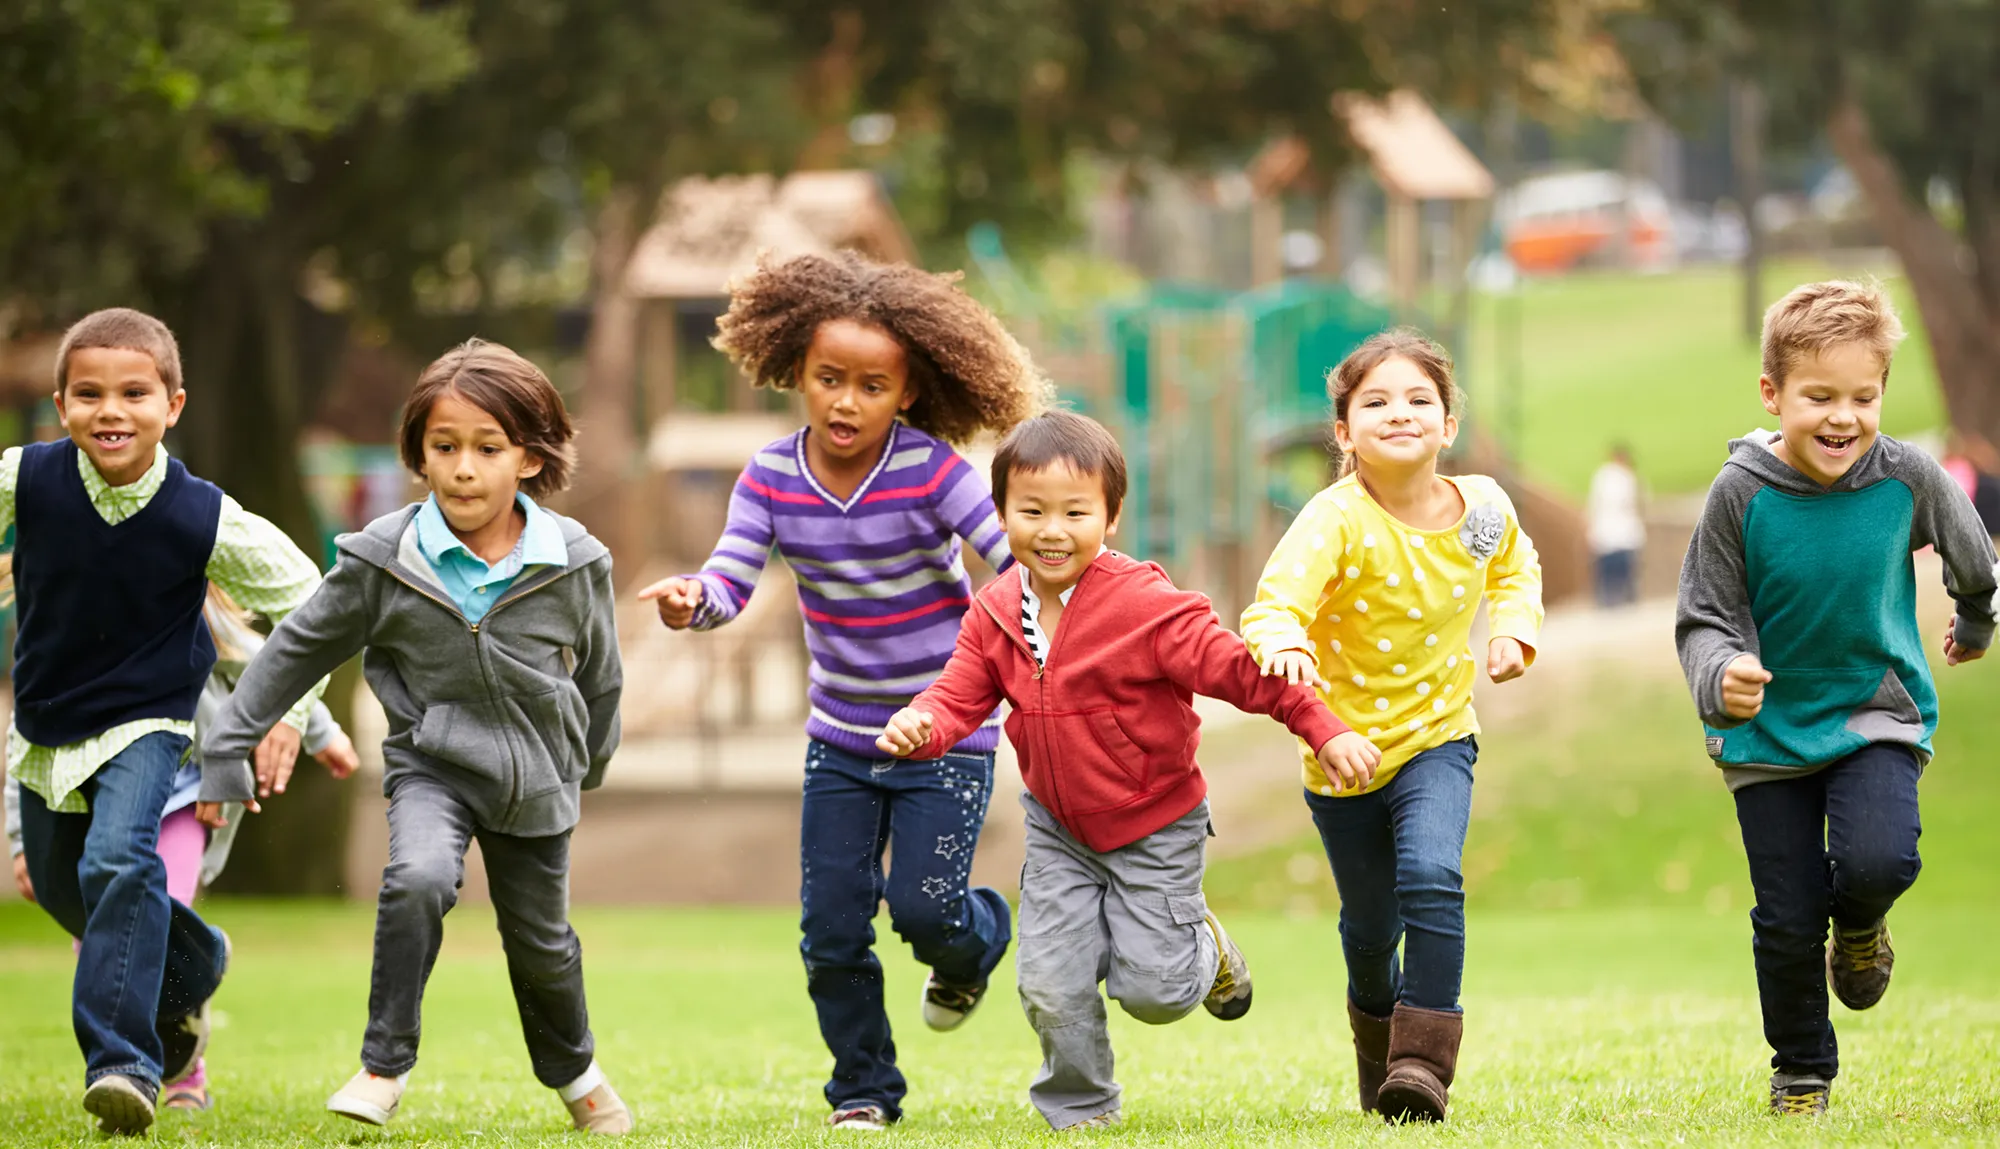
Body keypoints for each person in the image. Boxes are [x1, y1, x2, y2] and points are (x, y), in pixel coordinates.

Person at [637, 252, 1048, 1131]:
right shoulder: (770, 476)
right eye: (830, 379)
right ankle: (864, 1088)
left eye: (872, 385)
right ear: (797, 371)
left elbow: (1012, 556)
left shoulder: (932, 470)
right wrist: (692, 601)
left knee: (926, 912)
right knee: (830, 929)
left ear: (907, 392)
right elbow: (730, 579)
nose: (846, 402)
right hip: (841, 743)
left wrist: (1050, 619)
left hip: (944, 734)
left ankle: (977, 940)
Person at [876, 410, 1365, 1131]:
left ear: (1110, 517)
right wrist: (922, 724)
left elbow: (1239, 670)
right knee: (1048, 981)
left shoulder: (1144, 606)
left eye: (1075, 512)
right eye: (1032, 510)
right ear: (1002, 513)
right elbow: (957, 696)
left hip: (1156, 824)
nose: (1052, 530)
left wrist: (1321, 725)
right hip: (1059, 829)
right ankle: (1080, 1107)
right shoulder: (994, 613)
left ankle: (1203, 946)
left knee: (1155, 992)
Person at [200, 339, 632, 1134]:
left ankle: (576, 1072)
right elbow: (296, 647)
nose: (464, 468)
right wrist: (228, 746)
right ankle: (383, 1065)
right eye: (445, 446)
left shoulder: (575, 562)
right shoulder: (382, 559)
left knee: (541, 945)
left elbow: (601, 676)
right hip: (433, 764)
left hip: (539, 775)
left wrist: (589, 763)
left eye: (487, 448)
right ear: (419, 455)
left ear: (530, 459)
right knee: (418, 879)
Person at [1676, 280, 1996, 1117]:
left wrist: (1975, 618)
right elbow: (1704, 615)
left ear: (1883, 392)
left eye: (1864, 396)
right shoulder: (1739, 492)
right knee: (1787, 917)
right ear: (1772, 393)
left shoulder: (1905, 476)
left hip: (1874, 715)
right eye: (1819, 396)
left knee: (1878, 861)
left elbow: (1971, 551)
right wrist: (1721, 675)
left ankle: (1859, 929)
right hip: (1767, 735)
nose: (1843, 418)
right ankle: (1802, 1072)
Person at [6, 307, 327, 1134]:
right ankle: (197, 954)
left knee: (118, 858)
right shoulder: (26, 479)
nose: (110, 410)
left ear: (173, 405)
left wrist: (290, 710)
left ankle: (124, 1064)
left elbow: (311, 602)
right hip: (46, 722)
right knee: (63, 886)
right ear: (60, 405)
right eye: (89, 394)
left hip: (150, 720)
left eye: (134, 393)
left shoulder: (202, 514)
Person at [1240, 328, 1544, 1124]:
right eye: (1376, 402)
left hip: (1439, 737)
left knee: (1433, 876)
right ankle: (1378, 1052)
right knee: (1372, 930)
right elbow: (1273, 606)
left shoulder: (1481, 508)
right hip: (1342, 758)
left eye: (1419, 399)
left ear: (1448, 424)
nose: (1400, 412)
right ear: (1345, 433)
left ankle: (1422, 1063)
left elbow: (1513, 566)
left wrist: (1513, 629)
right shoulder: (1334, 520)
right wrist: (1285, 644)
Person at [5, 583, 362, 1110]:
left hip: (184, 798)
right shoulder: (63, 627)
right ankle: (195, 961)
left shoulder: (193, 610)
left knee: (146, 924)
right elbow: (26, 738)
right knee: (101, 940)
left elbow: (273, 669)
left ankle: (181, 1074)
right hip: (92, 801)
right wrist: (23, 840)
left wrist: (321, 732)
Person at [1586, 443, 1645, 606]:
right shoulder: (1606, 476)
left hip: (1623, 530)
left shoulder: (1629, 477)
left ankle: (1625, 598)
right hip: (1608, 528)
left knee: (1624, 565)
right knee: (1608, 566)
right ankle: (1608, 599)